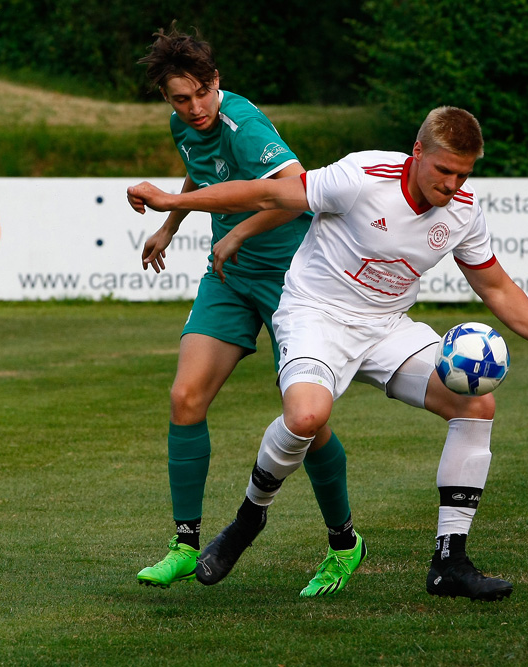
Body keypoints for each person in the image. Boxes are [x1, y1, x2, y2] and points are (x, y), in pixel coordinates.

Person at [128, 106, 528, 601]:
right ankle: (247, 519)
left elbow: (496, 287)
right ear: (418, 152)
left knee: (476, 404)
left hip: (387, 329)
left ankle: (450, 560)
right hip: (314, 316)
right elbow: (268, 191)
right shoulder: (362, 176)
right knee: (305, 417)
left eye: (463, 173)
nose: (452, 184)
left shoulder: (464, 212)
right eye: (444, 170)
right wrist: (175, 200)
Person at [132, 25, 365, 597]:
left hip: (296, 278)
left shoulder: (244, 122)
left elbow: (293, 189)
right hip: (231, 278)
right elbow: (204, 172)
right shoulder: (184, 124)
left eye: (200, 95)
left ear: (217, 82)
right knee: (185, 397)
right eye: (179, 100)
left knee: (307, 423)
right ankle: (185, 545)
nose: (193, 109)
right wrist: (170, 225)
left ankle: (344, 542)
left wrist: (235, 234)